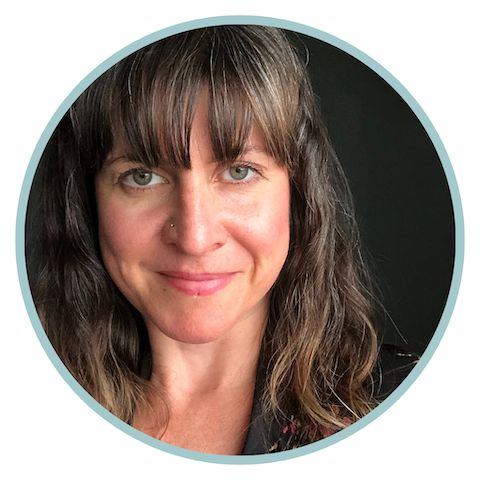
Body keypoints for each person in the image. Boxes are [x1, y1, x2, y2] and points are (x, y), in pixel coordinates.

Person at [26, 25, 418, 455]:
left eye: (239, 172)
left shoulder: (409, 407)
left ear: (297, 192)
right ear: (87, 199)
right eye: (143, 177)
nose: (194, 238)